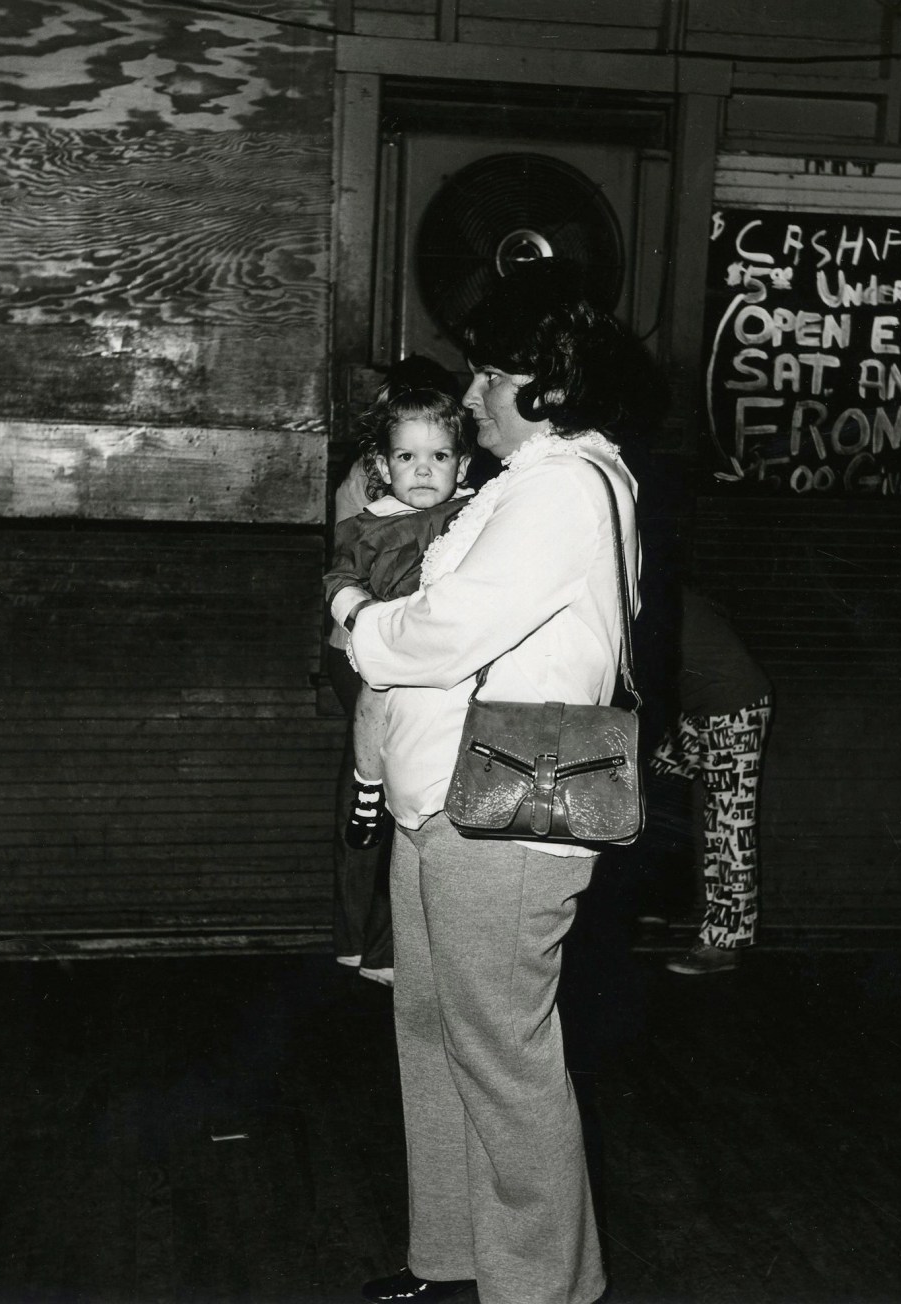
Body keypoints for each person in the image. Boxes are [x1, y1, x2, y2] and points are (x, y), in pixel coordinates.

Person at [341, 262, 663, 1304]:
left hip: (507, 822)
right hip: (451, 802)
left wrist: (356, 621)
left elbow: (447, 629)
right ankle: (455, 1257)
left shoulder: (564, 486)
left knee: (504, 1060)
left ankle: (544, 1286)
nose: (471, 393)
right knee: (436, 1036)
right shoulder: (539, 480)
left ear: (545, 384)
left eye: (488, 375)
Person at [323, 358, 474, 986]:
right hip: (377, 650)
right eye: (406, 454)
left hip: (431, 656)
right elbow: (338, 574)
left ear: (459, 461)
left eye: (438, 455)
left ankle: (381, 944)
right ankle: (366, 784)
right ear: (384, 460)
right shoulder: (371, 516)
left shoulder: (471, 508)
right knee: (377, 734)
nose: (422, 468)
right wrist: (362, 617)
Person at [650, 585, 773, 975]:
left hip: (733, 708)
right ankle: (657, 902)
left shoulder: (650, 598)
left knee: (728, 824)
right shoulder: (655, 593)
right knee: (647, 785)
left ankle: (725, 943)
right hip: (700, 706)